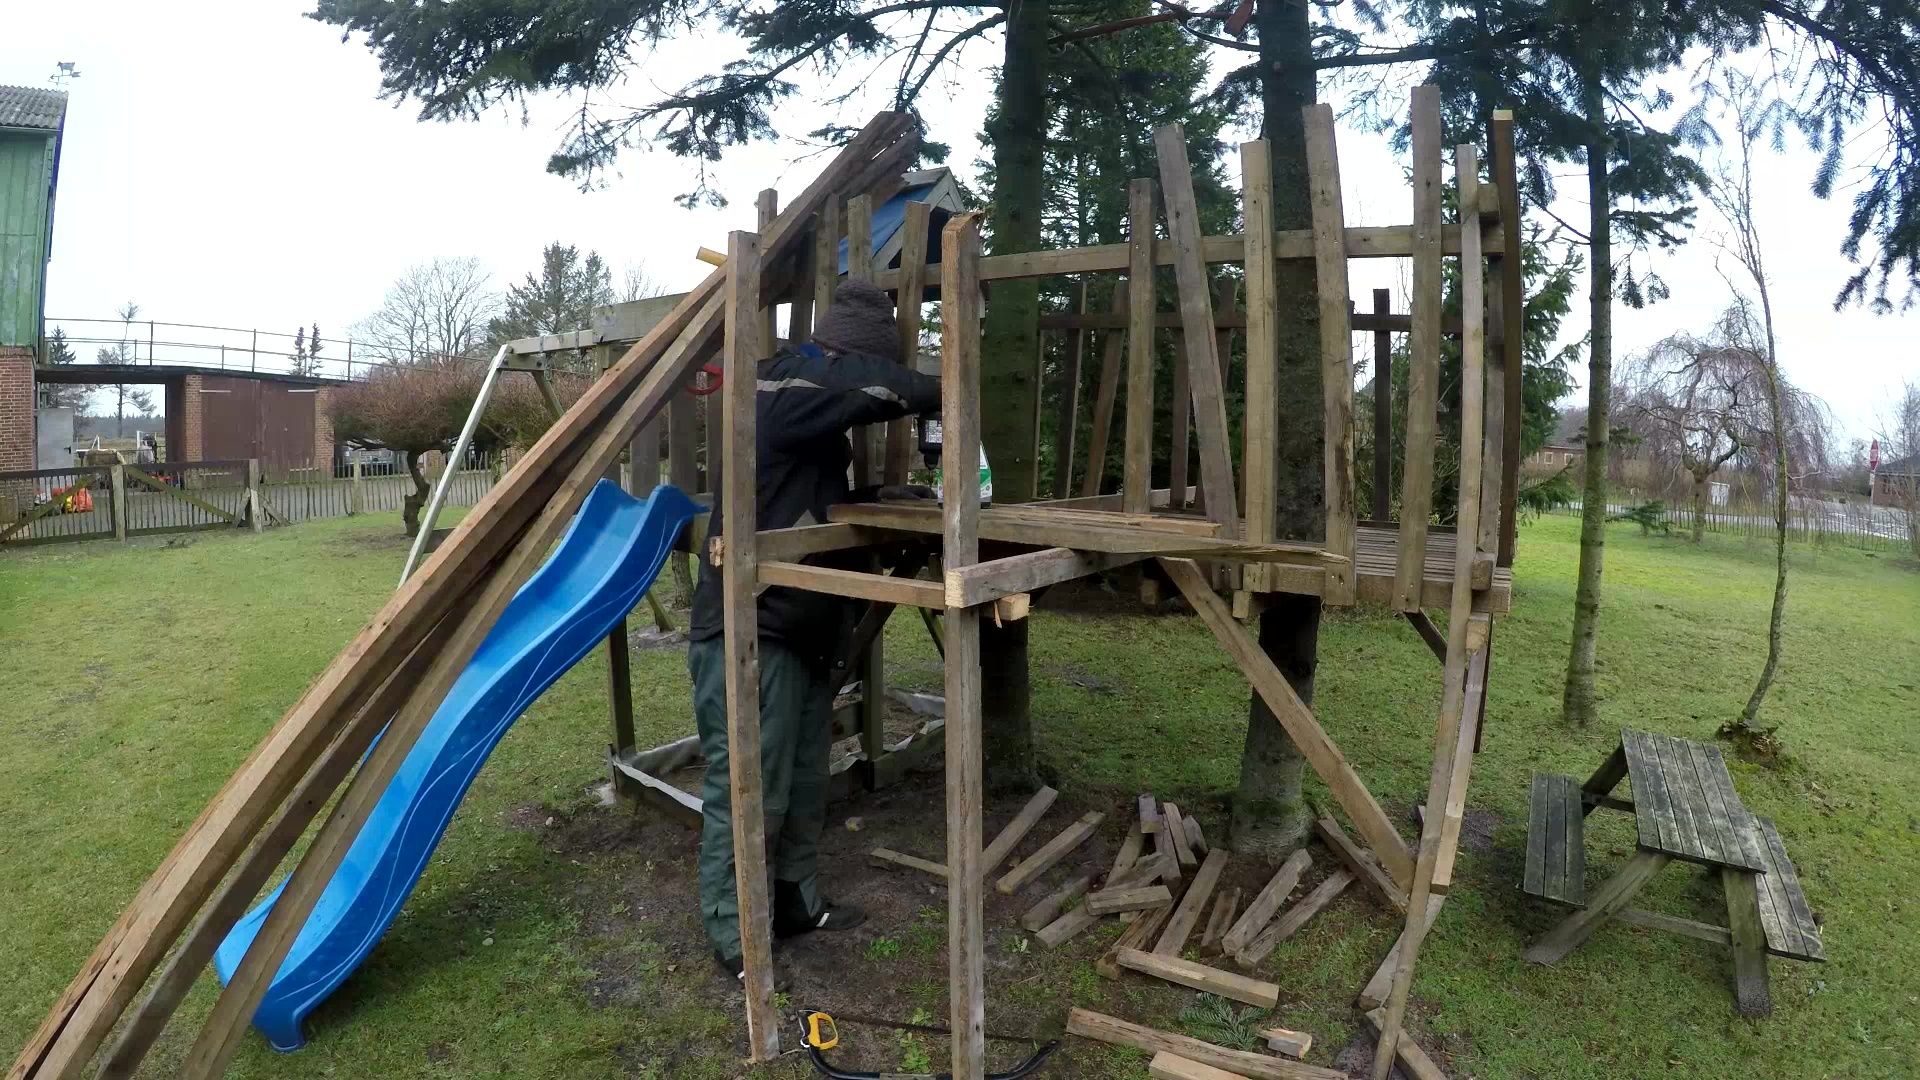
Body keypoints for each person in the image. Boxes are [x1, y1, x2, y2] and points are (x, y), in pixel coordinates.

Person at [687, 278, 941, 982]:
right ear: (842, 355)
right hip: (749, 630)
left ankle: (796, 902)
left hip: (797, 627)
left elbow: (805, 498)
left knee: (803, 779)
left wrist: (874, 499)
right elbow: (874, 388)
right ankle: (735, 936)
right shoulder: (778, 385)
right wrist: (944, 389)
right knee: (747, 785)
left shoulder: (805, 408)